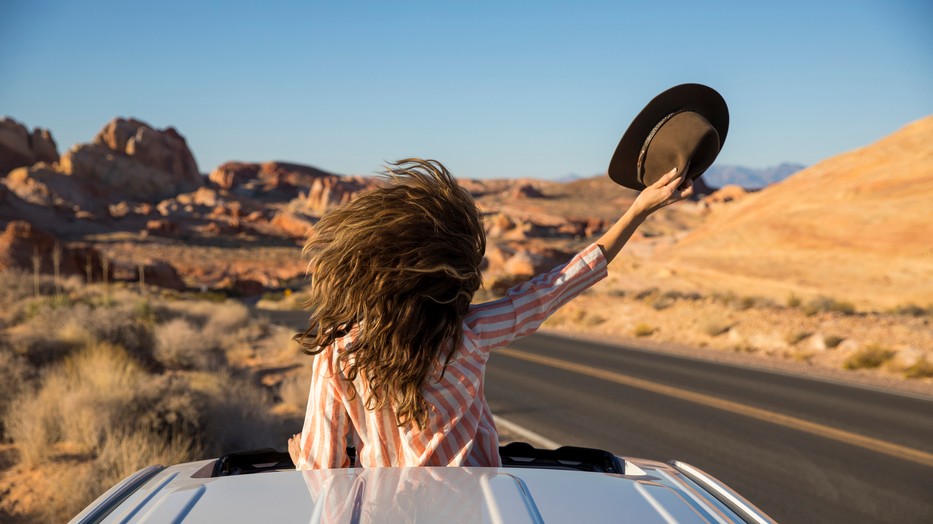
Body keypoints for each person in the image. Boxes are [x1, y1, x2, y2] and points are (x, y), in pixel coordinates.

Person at [287, 157, 693, 469]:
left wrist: (302, 456)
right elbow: (558, 285)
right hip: (479, 504)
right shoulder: (471, 333)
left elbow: (324, 468)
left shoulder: (338, 352)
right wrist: (638, 209)